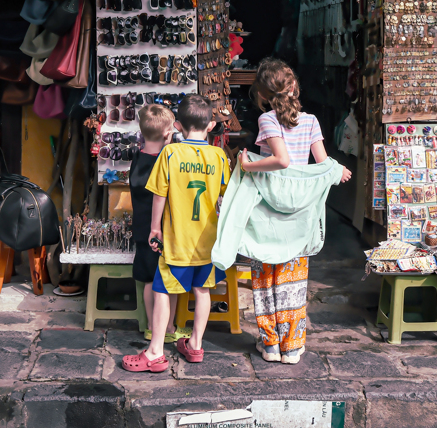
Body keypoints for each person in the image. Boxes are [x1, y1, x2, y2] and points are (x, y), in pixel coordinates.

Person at [238, 58, 352, 364]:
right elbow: (321, 164)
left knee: (264, 281)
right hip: (299, 215)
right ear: (294, 87)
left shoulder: (267, 121)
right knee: (293, 282)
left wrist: (248, 163)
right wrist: (337, 170)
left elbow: (282, 160)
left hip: (266, 214)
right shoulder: (312, 121)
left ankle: (271, 345)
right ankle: (291, 346)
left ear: (261, 95)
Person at [122, 94, 230, 373]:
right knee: (203, 290)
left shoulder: (171, 154)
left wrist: (155, 228)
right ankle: (195, 345)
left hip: (176, 240)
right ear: (210, 126)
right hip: (207, 240)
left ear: (179, 126)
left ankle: (155, 352)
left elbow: (159, 195)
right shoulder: (219, 156)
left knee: (161, 290)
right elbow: (225, 198)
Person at [129, 103, 189, 343]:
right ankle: (169, 328)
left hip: (142, 229)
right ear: (168, 133)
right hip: (164, 231)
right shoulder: (168, 160)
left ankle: (152, 327)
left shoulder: (137, 158)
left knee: (147, 279)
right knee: (168, 282)